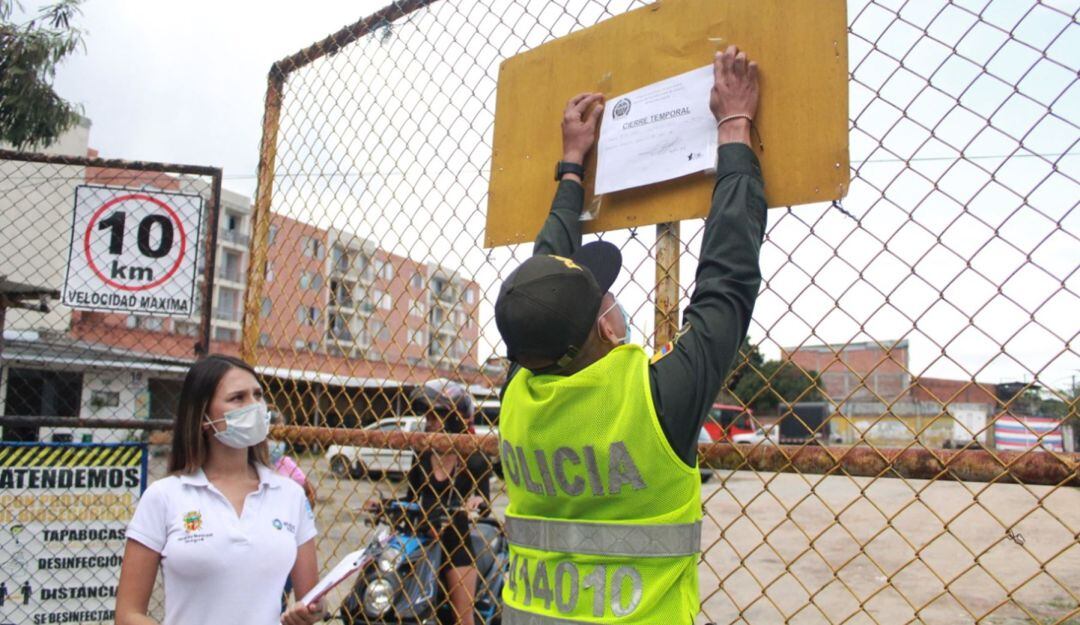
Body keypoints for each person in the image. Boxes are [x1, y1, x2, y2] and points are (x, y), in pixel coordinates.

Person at [494, 45, 765, 624]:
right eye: (606, 296)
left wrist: (572, 164)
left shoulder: (518, 394)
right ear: (603, 324)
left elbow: (542, 283)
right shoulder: (653, 402)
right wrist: (735, 127)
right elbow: (727, 280)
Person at [115, 354, 324, 625]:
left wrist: (311, 612)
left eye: (258, 395)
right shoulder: (164, 496)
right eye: (238, 398)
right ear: (203, 417)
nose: (256, 406)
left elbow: (314, 600)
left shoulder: (290, 495)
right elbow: (127, 614)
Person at [366, 379, 491, 625]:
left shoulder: (475, 457)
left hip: (455, 541)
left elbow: (483, 502)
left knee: (463, 620)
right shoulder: (423, 454)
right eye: (428, 415)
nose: (428, 421)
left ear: (455, 418)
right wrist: (384, 505)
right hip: (421, 538)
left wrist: (475, 503)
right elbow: (412, 498)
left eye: (436, 415)